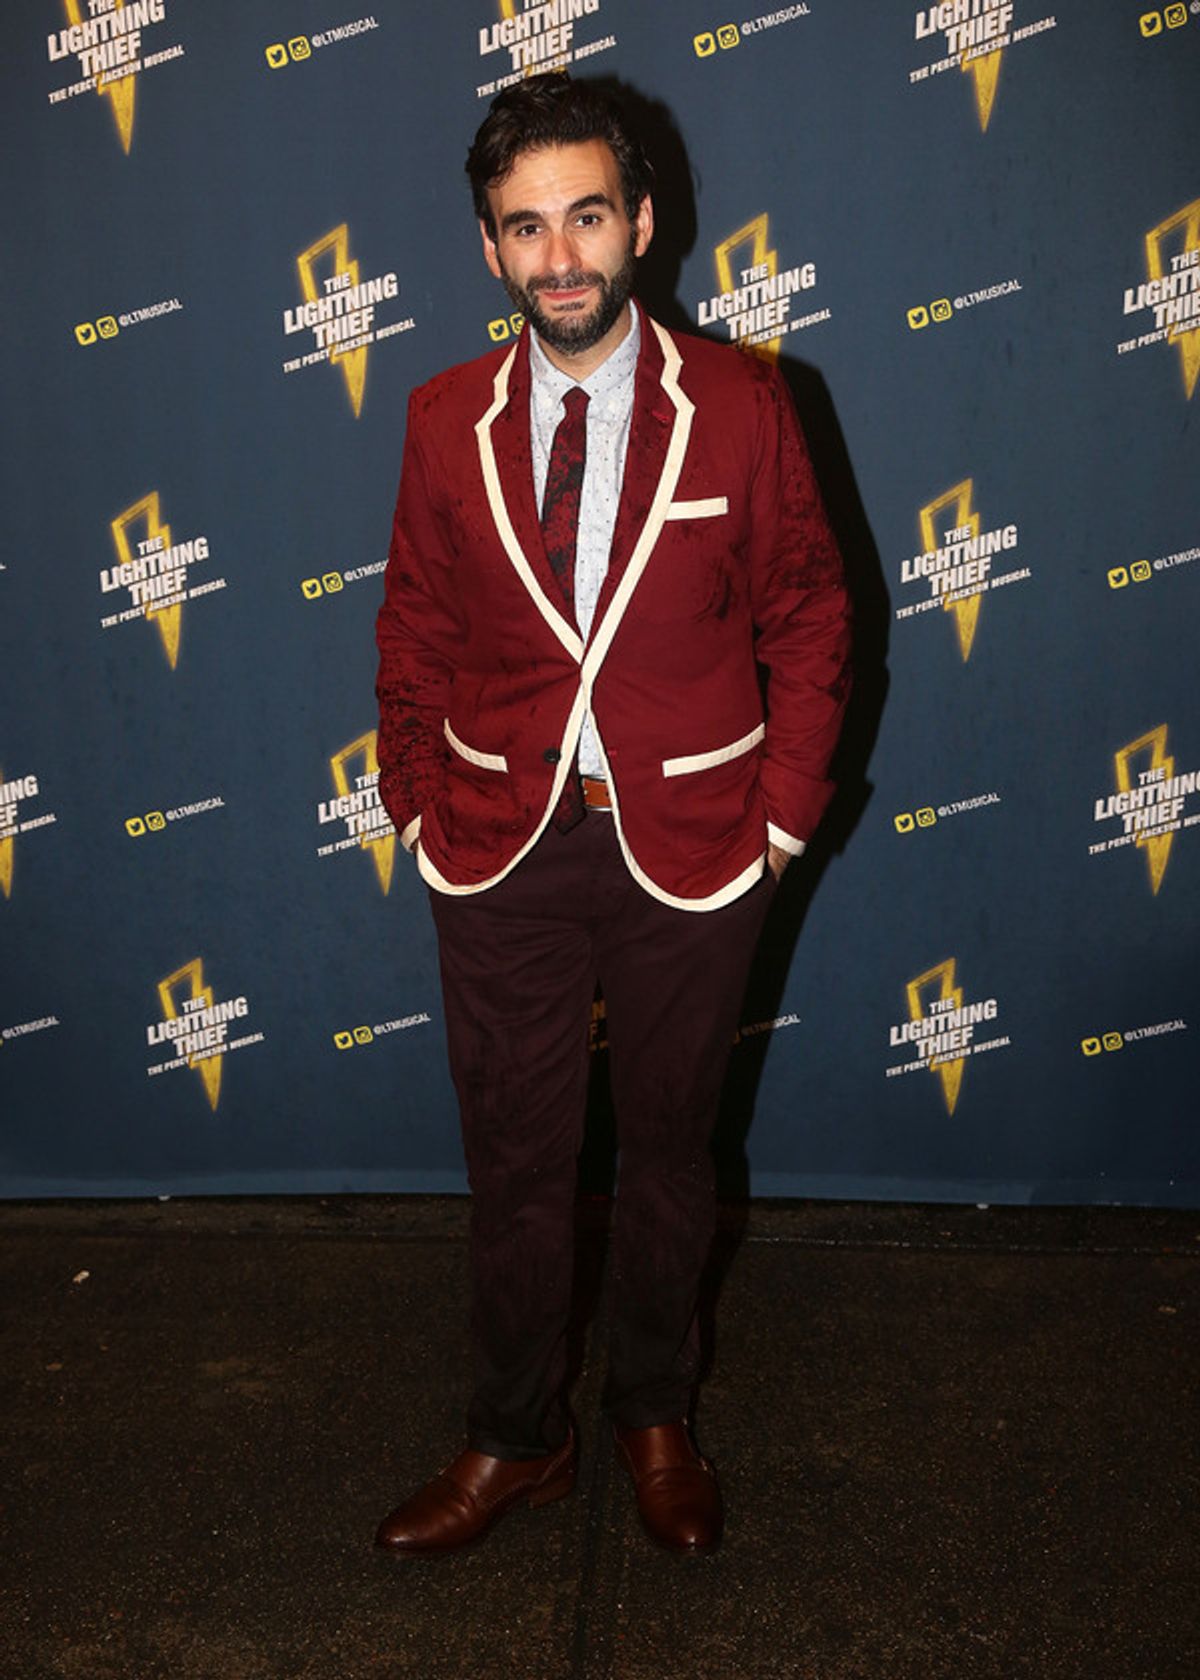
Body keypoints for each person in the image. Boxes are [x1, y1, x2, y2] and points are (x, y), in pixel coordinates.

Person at [373, 72, 851, 1556]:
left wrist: (780, 822)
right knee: (514, 1166)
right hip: (496, 844)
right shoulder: (441, 417)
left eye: (586, 216)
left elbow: (812, 619)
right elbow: (415, 625)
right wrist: (413, 800)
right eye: (526, 227)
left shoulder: (752, 405)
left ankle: (653, 1413)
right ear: (489, 247)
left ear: (643, 222)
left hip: (694, 848)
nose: (560, 255)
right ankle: (515, 1437)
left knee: (668, 1156)